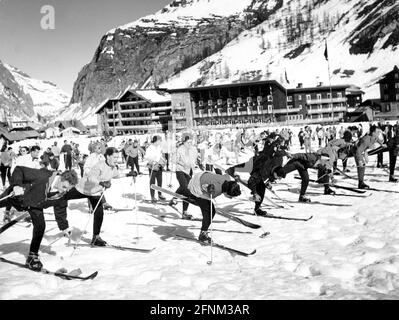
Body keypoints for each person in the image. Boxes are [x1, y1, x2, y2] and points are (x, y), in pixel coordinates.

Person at [0, 166, 78, 270]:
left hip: (35, 206)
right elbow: (19, 170)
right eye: (64, 187)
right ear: (60, 178)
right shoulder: (43, 176)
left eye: (68, 189)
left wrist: (64, 227)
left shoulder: (61, 194)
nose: (65, 190)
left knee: (40, 226)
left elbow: (61, 209)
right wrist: (16, 186)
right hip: (17, 197)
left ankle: (32, 257)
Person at [53, 147, 125, 246]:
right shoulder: (99, 165)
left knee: (99, 213)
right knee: (61, 197)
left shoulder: (113, 167)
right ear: (108, 156)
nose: (117, 159)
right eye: (115, 157)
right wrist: (101, 182)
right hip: (82, 189)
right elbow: (91, 178)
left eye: (117, 157)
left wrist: (129, 174)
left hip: (95, 193)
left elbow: (116, 175)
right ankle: (62, 224)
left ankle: (96, 237)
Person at [186, 171, 241, 243]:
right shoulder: (217, 190)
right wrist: (209, 189)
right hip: (196, 184)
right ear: (227, 192)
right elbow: (204, 187)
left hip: (202, 174)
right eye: (230, 196)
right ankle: (203, 234)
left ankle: (193, 198)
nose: (230, 198)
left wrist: (235, 180)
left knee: (208, 206)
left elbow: (227, 174)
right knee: (210, 211)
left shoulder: (227, 179)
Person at [170, 134, 198, 219]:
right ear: (184, 142)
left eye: (191, 142)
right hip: (180, 171)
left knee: (186, 188)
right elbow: (173, 160)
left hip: (189, 172)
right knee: (185, 188)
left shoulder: (193, 149)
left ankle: (183, 210)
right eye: (188, 142)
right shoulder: (180, 149)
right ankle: (180, 206)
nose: (190, 144)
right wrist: (182, 163)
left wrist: (196, 164)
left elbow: (195, 159)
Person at [354, 125, 385, 189]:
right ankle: (360, 183)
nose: (378, 133)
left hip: (362, 149)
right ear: (373, 133)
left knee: (363, 165)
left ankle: (361, 182)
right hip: (355, 150)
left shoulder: (374, 137)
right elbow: (358, 151)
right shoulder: (366, 139)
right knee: (361, 165)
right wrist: (360, 160)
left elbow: (377, 140)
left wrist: (382, 144)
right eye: (377, 132)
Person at [145, 135, 166, 203]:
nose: (160, 142)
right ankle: (152, 196)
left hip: (159, 165)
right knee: (152, 182)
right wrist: (152, 159)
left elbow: (160, 155)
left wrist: (163, 160)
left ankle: (160, 194)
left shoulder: (159, 147)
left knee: (160, 181)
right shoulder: (150, 148)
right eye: (160, 141)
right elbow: (146, 157)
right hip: (152, 166)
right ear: (156, 141)